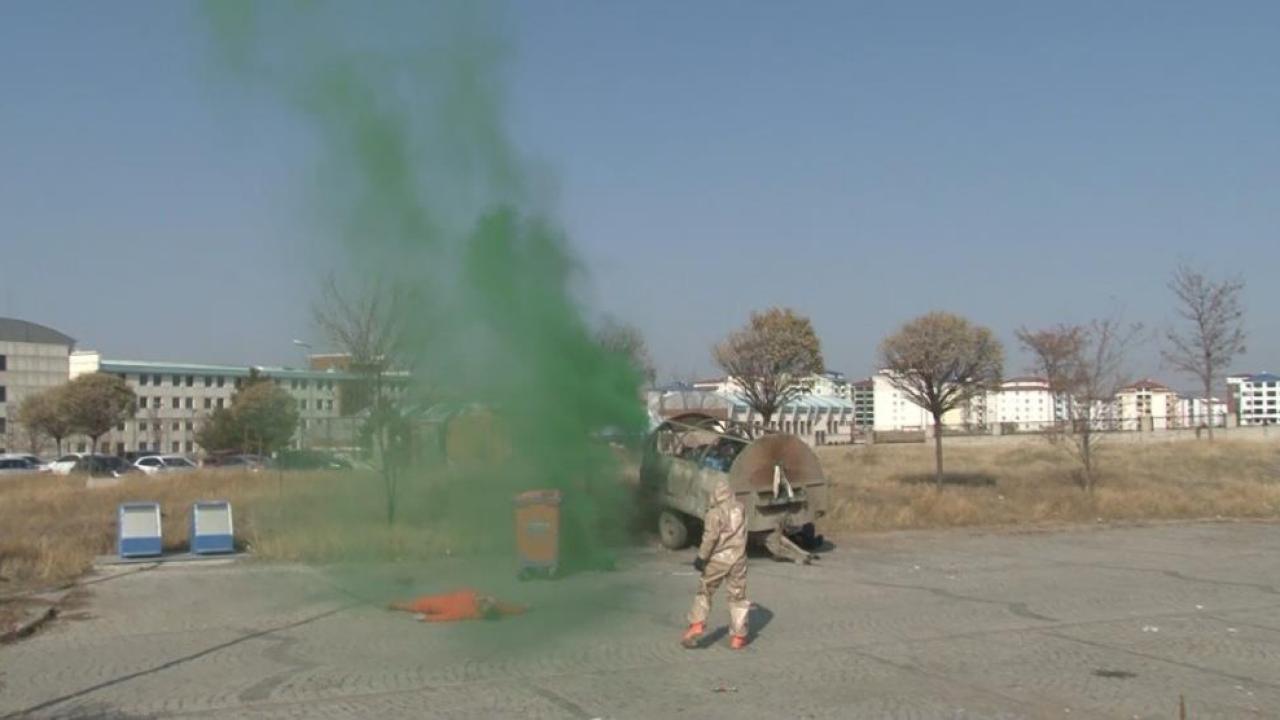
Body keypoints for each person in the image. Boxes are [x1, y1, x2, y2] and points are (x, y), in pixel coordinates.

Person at [681, 477, 750, 649]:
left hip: (718, 559)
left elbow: (710, 538)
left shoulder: (714, 514)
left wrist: (701, 558)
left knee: (705, 591)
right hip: (739, 558)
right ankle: (738, 636)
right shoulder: (740, 508)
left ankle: (697, 624)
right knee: (737, 596)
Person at [389, 588, 526, 622]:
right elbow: (504, 607)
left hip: (431, 605)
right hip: (434, 602)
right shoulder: (475, 599)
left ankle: (398, 605)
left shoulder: (465, 611)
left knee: (414, 606)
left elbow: (446, 617)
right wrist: (522, 609)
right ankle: (399, 605)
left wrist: (426, 618)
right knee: (500, 606)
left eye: (485, 602)